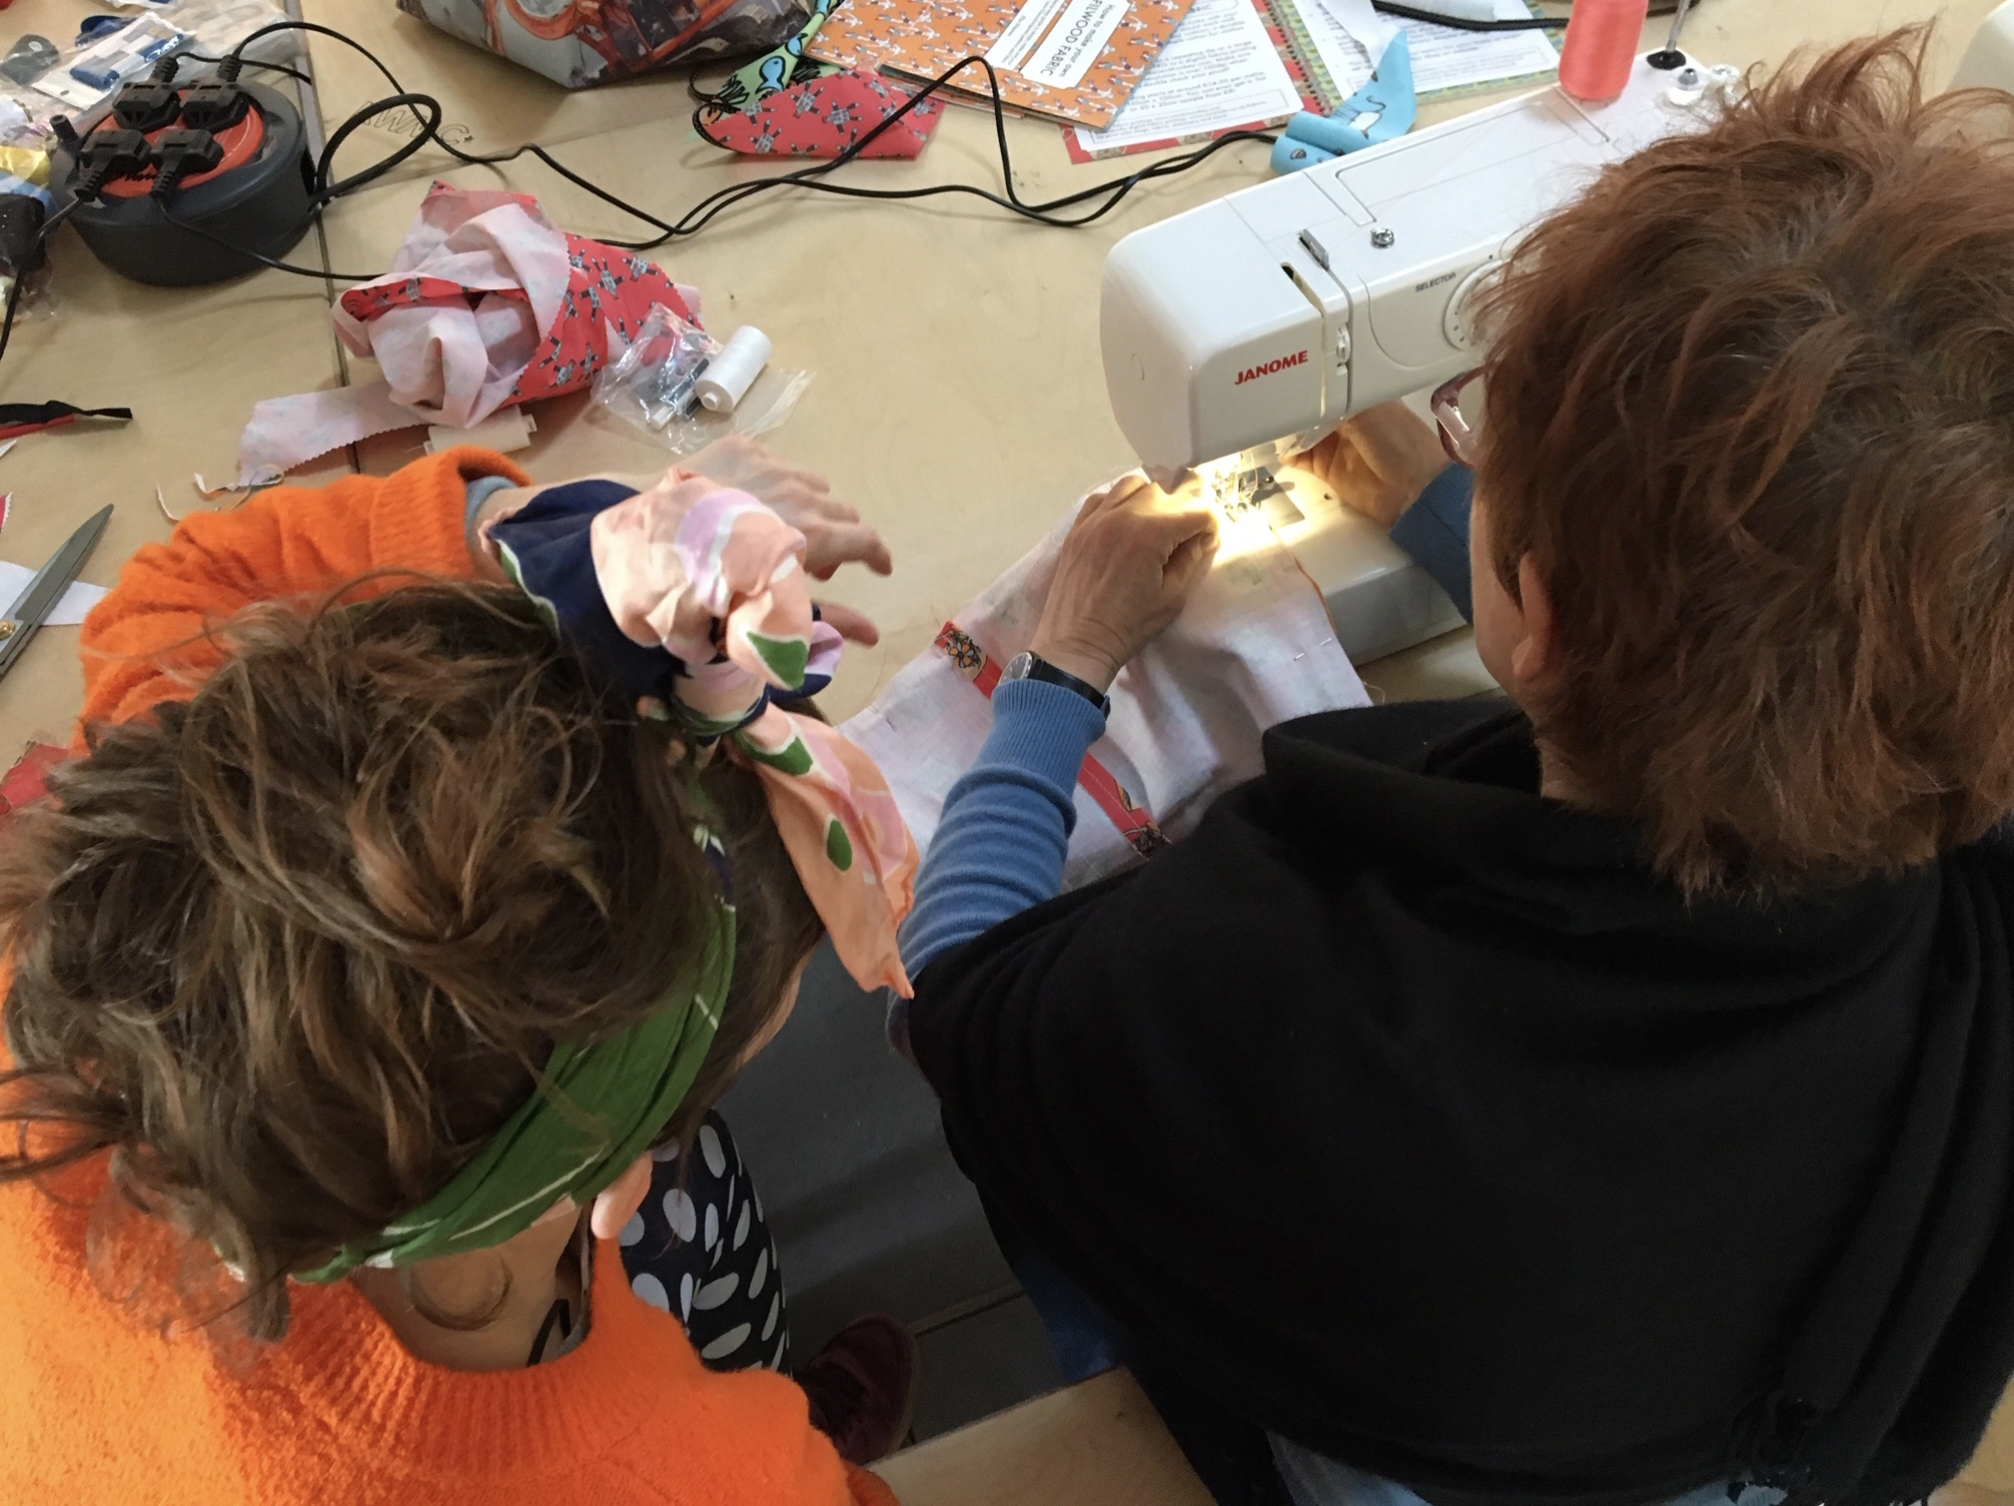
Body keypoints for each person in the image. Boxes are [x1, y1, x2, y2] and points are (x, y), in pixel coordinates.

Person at [896, 33, 2014, 1506]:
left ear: (1533, 610)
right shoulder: (1963, 926)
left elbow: (962, 990)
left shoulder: (1277, 986)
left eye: (1482, 434)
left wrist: (1065, 668)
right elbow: (1793, 627)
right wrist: (1446, 507)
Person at [0, 437, 919, 1502]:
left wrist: (554, 548)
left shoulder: (116, 928)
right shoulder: (700, 1479)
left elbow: (185, 584)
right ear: (612, 1170)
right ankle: (777, 1386)